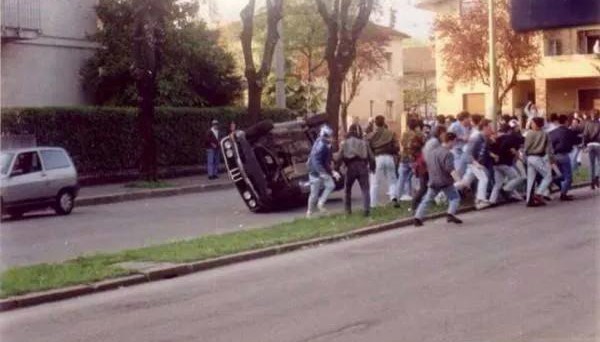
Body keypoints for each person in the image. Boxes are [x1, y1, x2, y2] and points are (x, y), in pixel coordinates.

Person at [413, 132, 463, 227]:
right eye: (454, 142)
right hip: (445, 181)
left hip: (433, 180)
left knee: (427, 199)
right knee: (455, 198)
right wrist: (459, 180)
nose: (454, 144)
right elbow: (450, 169)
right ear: (450, 141)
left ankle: (417, 217)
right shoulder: (448, 154)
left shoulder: (432, 153)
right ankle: (450, 214)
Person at [337, 124, 373, 216]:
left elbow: (339, 157)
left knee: (347, 190)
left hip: (350, 167)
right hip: (362, 166)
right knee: (365, 189)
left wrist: (337, 168)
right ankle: (366, 210)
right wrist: (373, 167)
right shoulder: (364, 143)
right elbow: (371, 157)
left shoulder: (344, 143)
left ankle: (347, 211)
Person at [306, 125, 340, 218]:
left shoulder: (326, 144)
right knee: (314, 194)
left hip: (320, 170)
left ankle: (320, 204)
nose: (331, 137)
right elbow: (316, 160)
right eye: (330, 136)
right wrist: (322, 172)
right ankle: (310, 212)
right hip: (315, 172)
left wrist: (332, 172)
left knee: (330, 185)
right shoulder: (321, 145)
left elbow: (325, 161)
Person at [458, 115, 492, 210]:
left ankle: (442, 194)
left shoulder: (484, 138)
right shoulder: (477, 138)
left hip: (475, 162)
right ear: (484, 127)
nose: (491, 129)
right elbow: (468, 153)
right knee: (484, 178)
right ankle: (480, 200)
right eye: (490, 127)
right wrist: (476, 163)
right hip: (472, 161)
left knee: (465, 182)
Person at [366, 115, 400, 208]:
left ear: (375, 123)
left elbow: (368, 149)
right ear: (384, 122)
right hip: (389, 158)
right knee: (392, 180)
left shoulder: (370, 135)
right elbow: (397, 147)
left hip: (377, 159)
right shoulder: (391, 133)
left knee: (374, 183)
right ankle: (394, 197)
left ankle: (373, 204)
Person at [412, 125, 447, 212]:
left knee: (430, 186)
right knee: (424, 187)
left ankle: (424, 204)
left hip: (426, 166)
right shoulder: (434, 142)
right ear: (439, 133)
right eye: (444, 133)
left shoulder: (435, 141)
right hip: (424, 167)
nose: (445, 135)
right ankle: (414, 205)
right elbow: (428, 155)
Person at [489, 124, 525, 204]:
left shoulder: (498, 138)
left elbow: (490, 150)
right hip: (505, 163)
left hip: (496, 164)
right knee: (517, 178)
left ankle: (492, 200)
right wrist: (518, 156)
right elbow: (513, 151)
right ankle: (506, 188)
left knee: (497, 183)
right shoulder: (514, 140)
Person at [549, 114, 581, 200]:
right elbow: (577, 141)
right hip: (564, 155)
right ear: (566, 121)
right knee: (568, 176)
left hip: (554, 156)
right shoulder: (569, 132)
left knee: (558, 174)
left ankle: (556, 184)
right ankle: (563, 194)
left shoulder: (552, 132)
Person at [524, 117, 554, 207]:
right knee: (548, 176)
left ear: (536, 124)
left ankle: (529, 200)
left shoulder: (529, 134)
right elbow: (549, 149)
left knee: (530, 179)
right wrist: (552, 160)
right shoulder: (545, 134)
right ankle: (538, 193)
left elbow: (526, 147)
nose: (531, 124)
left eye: (532, 123)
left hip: (529, 157)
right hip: (538, 157)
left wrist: (524, 157)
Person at [396, 118, 423, 201]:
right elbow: (422, 144)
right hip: (414, 158)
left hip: (404, 157)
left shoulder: (405, 133)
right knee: (416, 177)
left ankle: (398, 196)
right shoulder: (419, 134)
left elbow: (402, 143)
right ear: (416, 126)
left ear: (408, 126)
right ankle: (417, 195)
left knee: (402, 178)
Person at [448, 111, 471, 177]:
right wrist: (461, 138)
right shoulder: (455, 125)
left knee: (465, 168)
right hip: (456, 149)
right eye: (468, 117)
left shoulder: (467, 126)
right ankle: (458, 182)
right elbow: (449, 136)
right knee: (459, 168)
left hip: (464, 149)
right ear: (465, 118)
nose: (470, 119)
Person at [582, 110, 600, 189]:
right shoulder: (599, 124)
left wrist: (584, 145)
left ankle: (592, 182)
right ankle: (596, 177)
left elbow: (585, 134)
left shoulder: (587, 123)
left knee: (591, 164)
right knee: (599, 163)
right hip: (598, 144)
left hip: (589, 145)